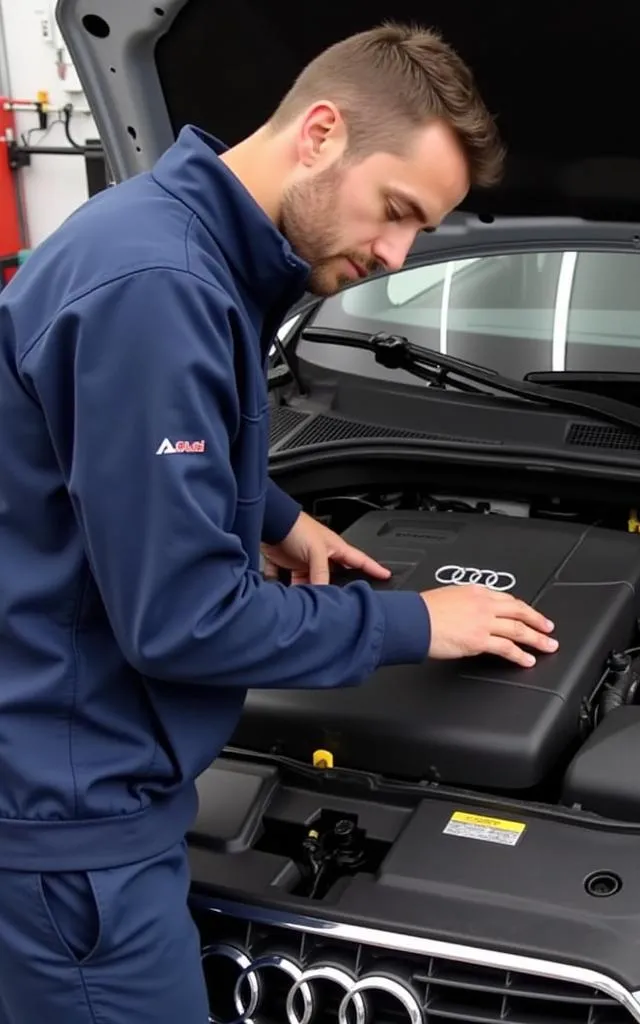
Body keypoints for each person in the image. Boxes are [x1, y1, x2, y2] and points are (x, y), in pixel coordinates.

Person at [0, 22, 557, 1024]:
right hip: (73, 836)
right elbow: (183, 622)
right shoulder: (158, 290)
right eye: (395, 212)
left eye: (420, 232)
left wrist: (280, 517)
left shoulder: (167, 240)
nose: (394, 254)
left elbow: (102, 451)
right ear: (319, 133)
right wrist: (416, 624)